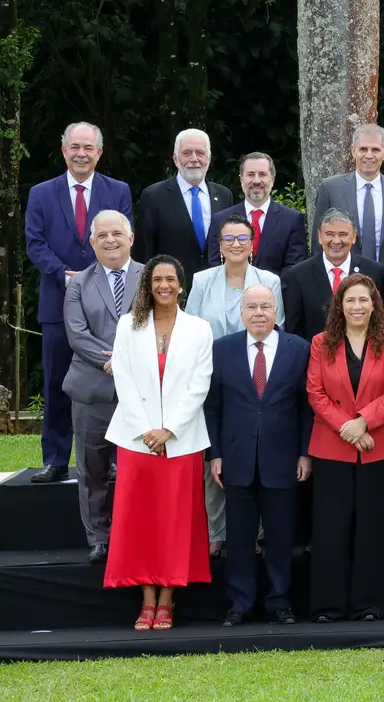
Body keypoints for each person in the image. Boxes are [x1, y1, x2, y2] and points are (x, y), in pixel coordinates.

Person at [102, 255, 214, 631]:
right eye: (156, 280)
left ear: (181, 285)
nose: (163, 286)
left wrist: (169, 429)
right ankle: (146, 602)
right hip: (136, 440)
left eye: (170, 279)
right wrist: (147, 430)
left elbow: (200, 384)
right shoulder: (127, 326)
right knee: (140, 523)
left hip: (181, 441)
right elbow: (123, 378)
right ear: (148, 286)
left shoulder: (199, 329)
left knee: (174, 522)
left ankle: (167, 600)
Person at [24, 122, 134, 484]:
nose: (81, 154)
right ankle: (56, 459)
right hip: (57, 302)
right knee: (57, 382)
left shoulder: (117, 191)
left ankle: (114, 458)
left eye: (88, 147)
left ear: (99, 153)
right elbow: (35, 243)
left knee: (112, 382)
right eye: (74, 147)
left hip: (110, 305)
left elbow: (122, 239)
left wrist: (96, 277)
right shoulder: (41, 193)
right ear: (64, 151)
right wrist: (64, 275)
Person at [204, 285, 312, 626]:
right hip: (236, 459)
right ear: (242, 313)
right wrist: (215, 454)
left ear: (276, 310)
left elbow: (307, 408)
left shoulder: (299, 348)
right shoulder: (222, 349)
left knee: (280, 537)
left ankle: (280, 602)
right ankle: (240, 603)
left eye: (265, 306)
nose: (259, 313)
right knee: (239, 538)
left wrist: (305, 453)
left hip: (283, 458)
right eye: (252, 307)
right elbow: (213, 407)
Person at [306, 273, 384, 622]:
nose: (357, 306)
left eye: (364, 299)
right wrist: (348, 429)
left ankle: (372, 605)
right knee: (331, 529)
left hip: (380, 447)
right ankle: (329, 606)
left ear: (374, 305)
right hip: (332, 448)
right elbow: (315, 392)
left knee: (375, 529)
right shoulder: (321, 342)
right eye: (350, 300)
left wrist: (363, 421)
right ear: (339, 305)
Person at [187, 214, 288, 555]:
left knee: (255, 456)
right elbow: (191, 330)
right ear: (219, 245)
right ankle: (217, 531)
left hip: (256, 378)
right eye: (228, 239)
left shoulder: (269, 281)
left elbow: (277, 326)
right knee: (216, 455)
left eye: (242, 238)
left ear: (252, 243)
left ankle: (253, 533)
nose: (235, 244)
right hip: (212, 378)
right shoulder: (202, 281)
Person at [60, 211, 141, 561]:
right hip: (91, 390)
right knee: (92, 468)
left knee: (139, 468)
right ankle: (99, 538)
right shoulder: (78, 283)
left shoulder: (151, 276)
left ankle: (136, 533)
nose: (110, 240)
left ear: (130, 238)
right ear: (92, 243)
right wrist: (115, 361)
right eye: (102, 235)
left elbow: (162, 324)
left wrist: (129, 360)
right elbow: (77, 334)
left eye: (117, 233)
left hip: (141, 390)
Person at [134, 128, 234, 281]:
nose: (194, 159)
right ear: (175, 159)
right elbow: (145, 252)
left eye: (200, 153)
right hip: (172, 287)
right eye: (187, 153)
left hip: (216, 285)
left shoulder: (224, 195)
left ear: (208, 158)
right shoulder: (153, 196)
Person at [312, 123, 384, 268]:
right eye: (363, 149)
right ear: (353, 151)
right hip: (343, 276)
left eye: (375, 150)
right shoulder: (330, 188)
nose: (369, 155)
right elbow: (318, 242)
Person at [282, 209, 384, 342]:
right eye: (330, 234)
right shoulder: (297, 275)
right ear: (320, 236)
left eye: (343, 234)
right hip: (315, 352)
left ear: (354, 236)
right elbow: (294, 330)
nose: (336, 241)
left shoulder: (374, 271)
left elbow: (379, 320)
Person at [205, 152, 307, 273]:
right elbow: (215, 265)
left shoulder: (292, 219)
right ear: (241, 179)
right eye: (250, 174)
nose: (256, 181)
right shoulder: (220, 220)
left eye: (262, 174)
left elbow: (295, 268)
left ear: (273, 179)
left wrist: (269, 285)